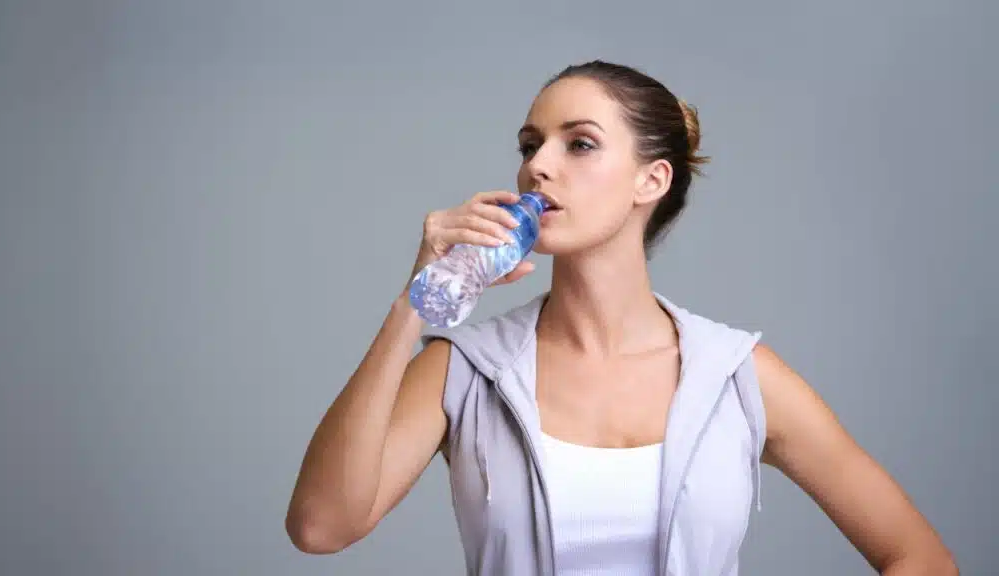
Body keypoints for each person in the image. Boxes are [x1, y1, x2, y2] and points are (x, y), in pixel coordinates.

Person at [285, 61, 957, 575]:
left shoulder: (736, 374)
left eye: (578, 144)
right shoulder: (464, 372)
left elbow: (920, 557)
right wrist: (413, 301)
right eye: (529, 145)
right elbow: (321, 527)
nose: (537, 168)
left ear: (651, 181)